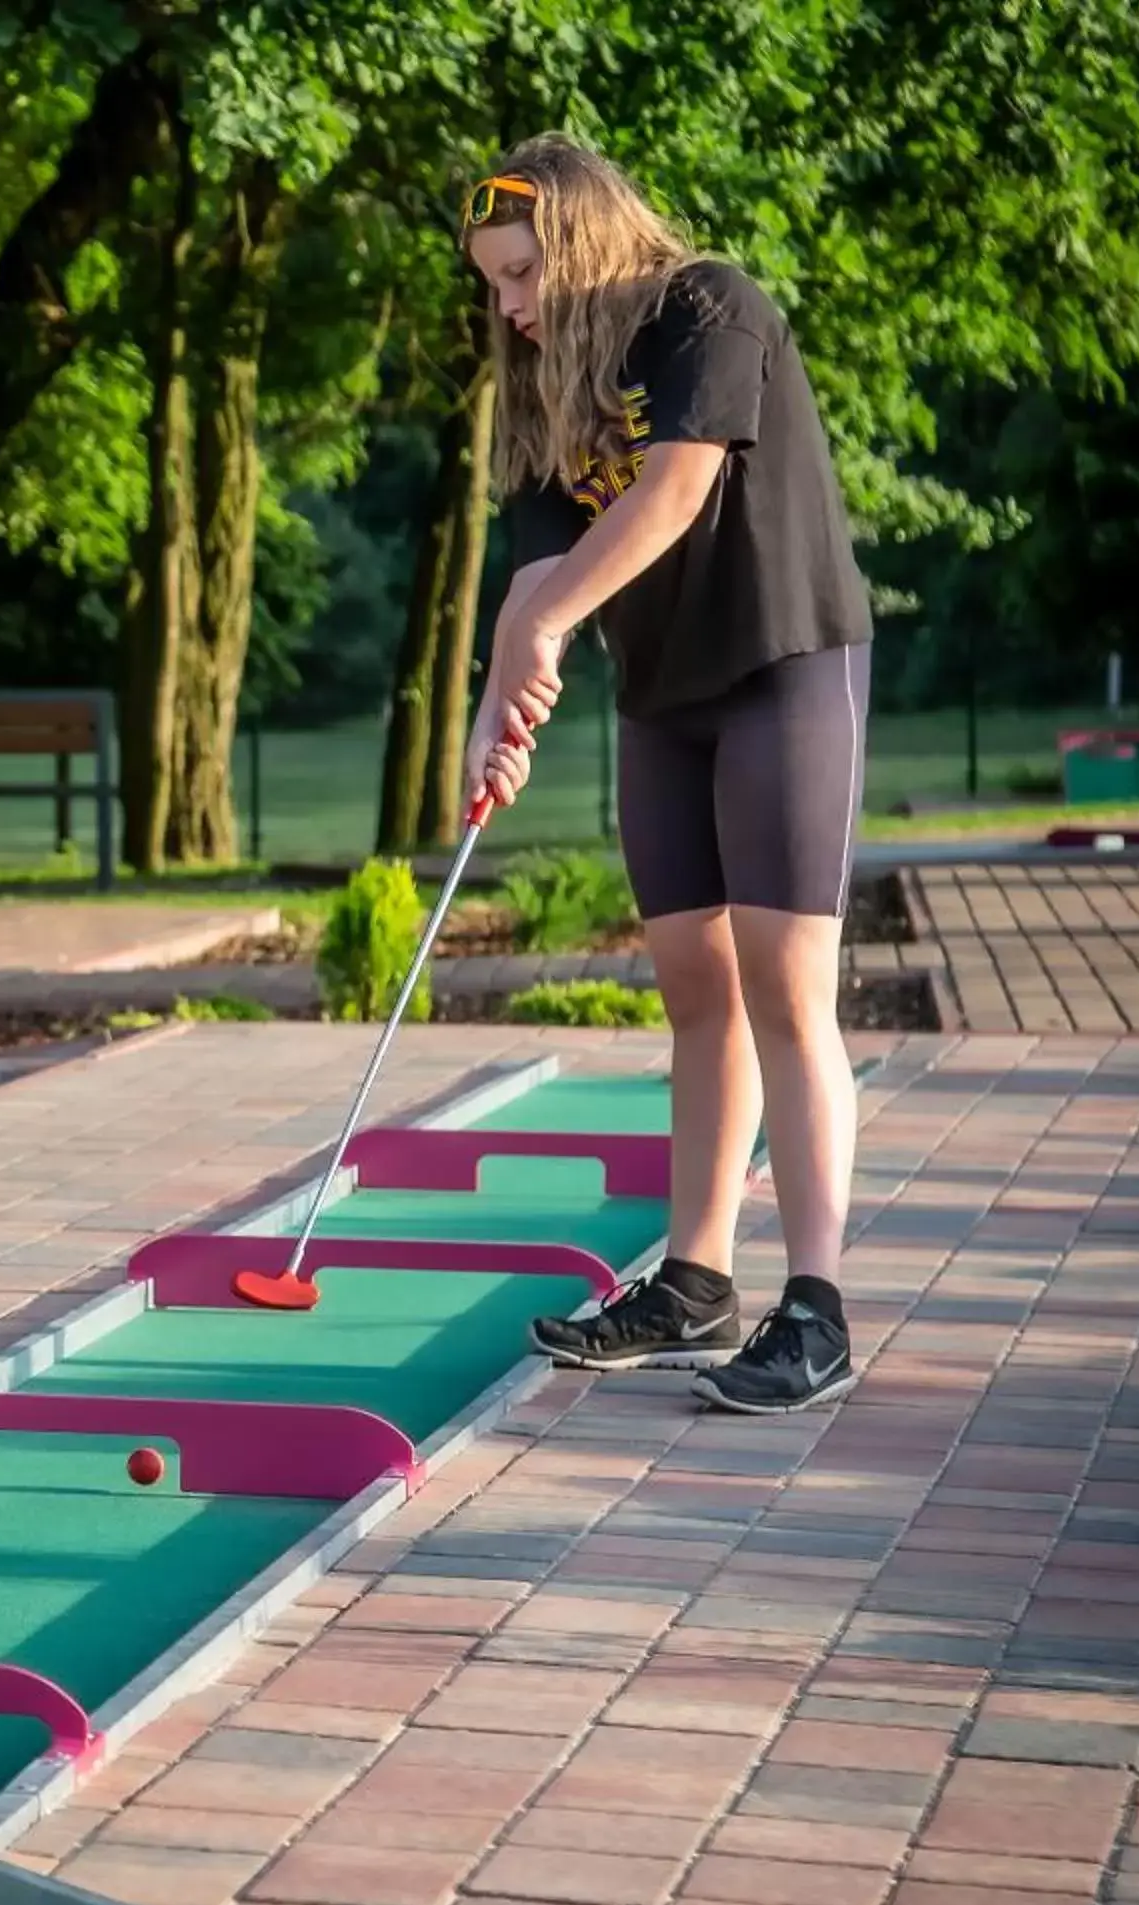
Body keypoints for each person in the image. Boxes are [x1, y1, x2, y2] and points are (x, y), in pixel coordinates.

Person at [458, 134, 873, 1416]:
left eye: (523, 272)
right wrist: (494, 707)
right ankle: (695, 1278)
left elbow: (677, 488)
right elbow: (538, 568)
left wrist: (544, 628)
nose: (512, 303)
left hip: (783, 659)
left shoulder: (710, 305)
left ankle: (816, 1306)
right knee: (694, 983)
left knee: (787, 985)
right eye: (494, 282)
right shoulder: (541, 391)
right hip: (665, 693)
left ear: (579, 242)